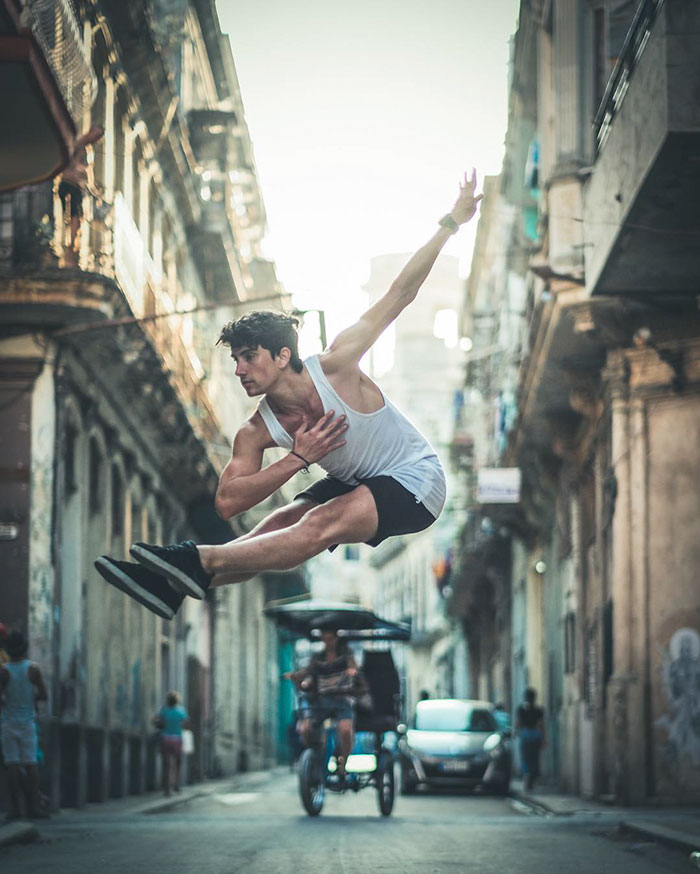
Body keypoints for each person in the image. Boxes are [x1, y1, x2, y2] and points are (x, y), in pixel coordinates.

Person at [94, 172, 483, 618]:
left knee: (317, 523)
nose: (239, 370)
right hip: (356, 479)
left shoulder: (338, 363)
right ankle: (169, 587)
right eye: (235, 359)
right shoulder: (255, 431)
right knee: (274, 527)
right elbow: (228, 502)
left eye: (249, 357)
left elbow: (401, 292)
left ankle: (193, 559)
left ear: (283, 356)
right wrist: (296, 459)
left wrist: (451, 222)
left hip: (417, 481)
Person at [285, 629, 367, 781]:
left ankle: (343, 762)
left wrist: (352, 672)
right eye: (325, 639)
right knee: (304, 728)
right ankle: (315, 755)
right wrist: (297, 678)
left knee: (345, 728)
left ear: (336, 639)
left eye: (330, 639)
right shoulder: (318, 658)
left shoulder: (346, 656)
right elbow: (307, 672)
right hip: (321, 702)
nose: (327, 642)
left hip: (342, 701)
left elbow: (354, 669)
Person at [0, 630, 48, 819]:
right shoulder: (33, 669)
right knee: (30, 763)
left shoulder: (3, 672)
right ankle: (34, 807)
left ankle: (15, 809)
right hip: (28, 723)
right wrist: (31, 698)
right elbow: (44, 695)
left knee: (11, 764)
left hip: (8, 723)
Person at [58, 124, 104, 265]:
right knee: (72, 216)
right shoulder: (77, 143)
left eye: (98, 137)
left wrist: (95, 190)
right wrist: (79, 169)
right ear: (90, 131)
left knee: (77, 217)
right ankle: (68, 245)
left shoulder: (87, 149)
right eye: (95, 135)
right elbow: (68, 162)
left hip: (77, 186)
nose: (95, 139)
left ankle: (72, 244)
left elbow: (88, 173)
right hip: (68, 183)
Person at [154, 690, 190, 796]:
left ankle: (167, 790)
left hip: (165, 739)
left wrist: (162, 725)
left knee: (166, 765)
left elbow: (156, 720)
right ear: (177, 701)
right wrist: (179, 726)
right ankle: (176, 784)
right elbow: (186, 724)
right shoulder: (181, 711)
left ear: (168, 701)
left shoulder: (164, 710)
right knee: (177, 763)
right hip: (177, 739)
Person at [515, 687, 546, 791]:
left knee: (525, 758)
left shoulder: (521, 709)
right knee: (534, 758)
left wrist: (516, 731)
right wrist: (544, 738)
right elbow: (541, 725)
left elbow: (518, 723)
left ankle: (527, 777)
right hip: (535, 735)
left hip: (525, 735)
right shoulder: (538, 710)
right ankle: (532, 778)